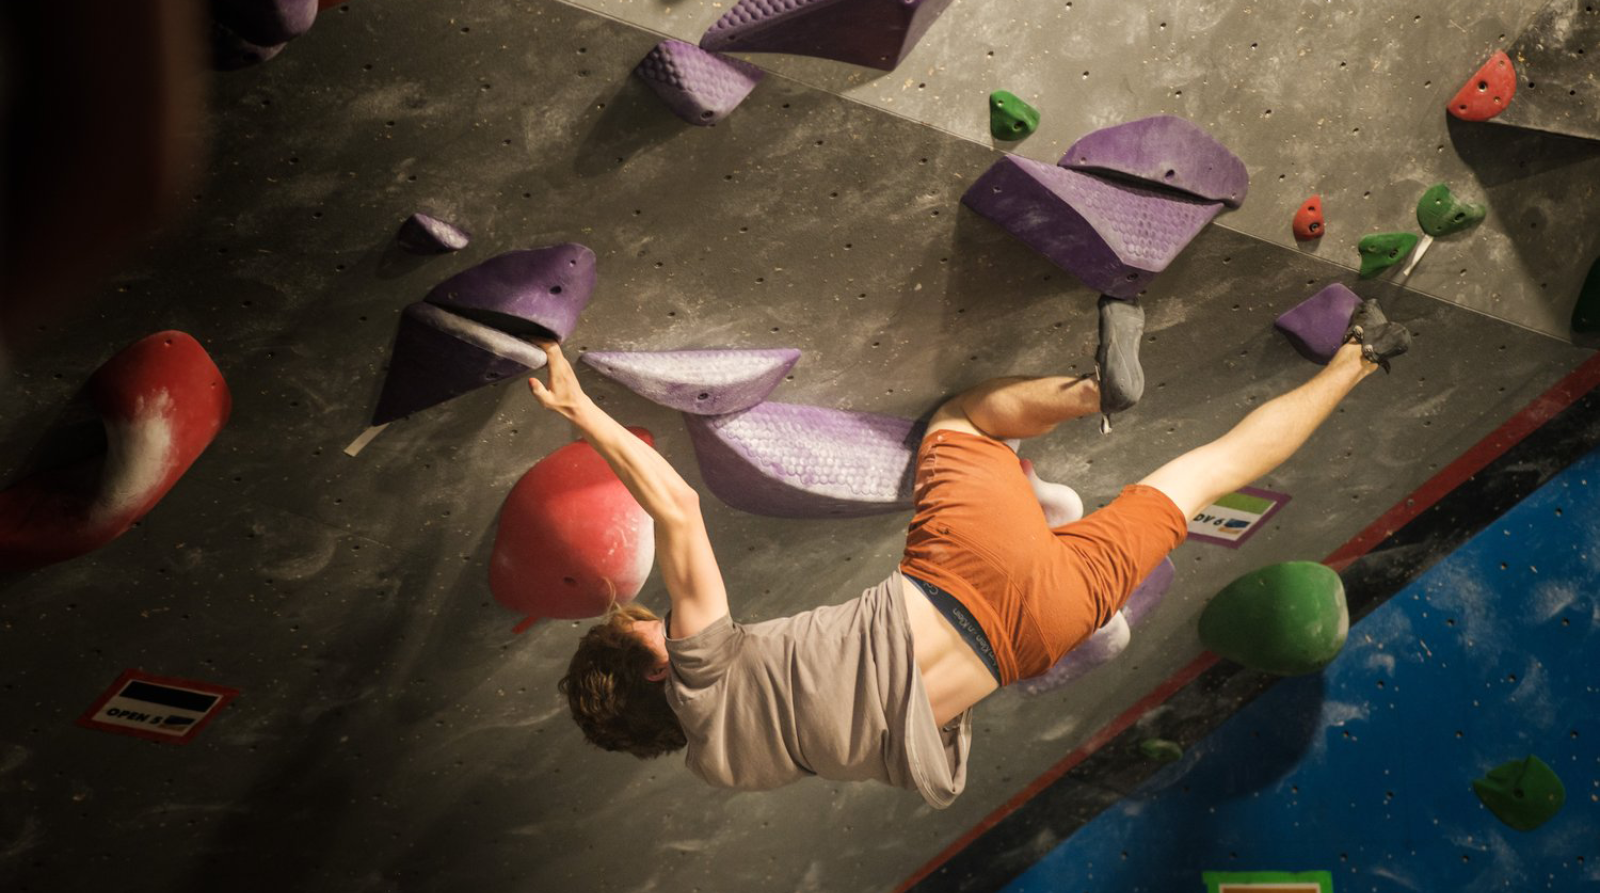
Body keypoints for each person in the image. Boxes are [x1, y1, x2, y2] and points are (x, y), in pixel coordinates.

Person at [540, 301, 1410, 808]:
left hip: (1040, 633)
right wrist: (582, 411)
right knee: (962, 420)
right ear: (656, 671)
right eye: (647, 628)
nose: (658, 619)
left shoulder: (736, 768)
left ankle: (1362, 357)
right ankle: (1093, 391)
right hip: (960, 572)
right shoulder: (701, 675)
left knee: (1201, 477)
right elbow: (681, 511)